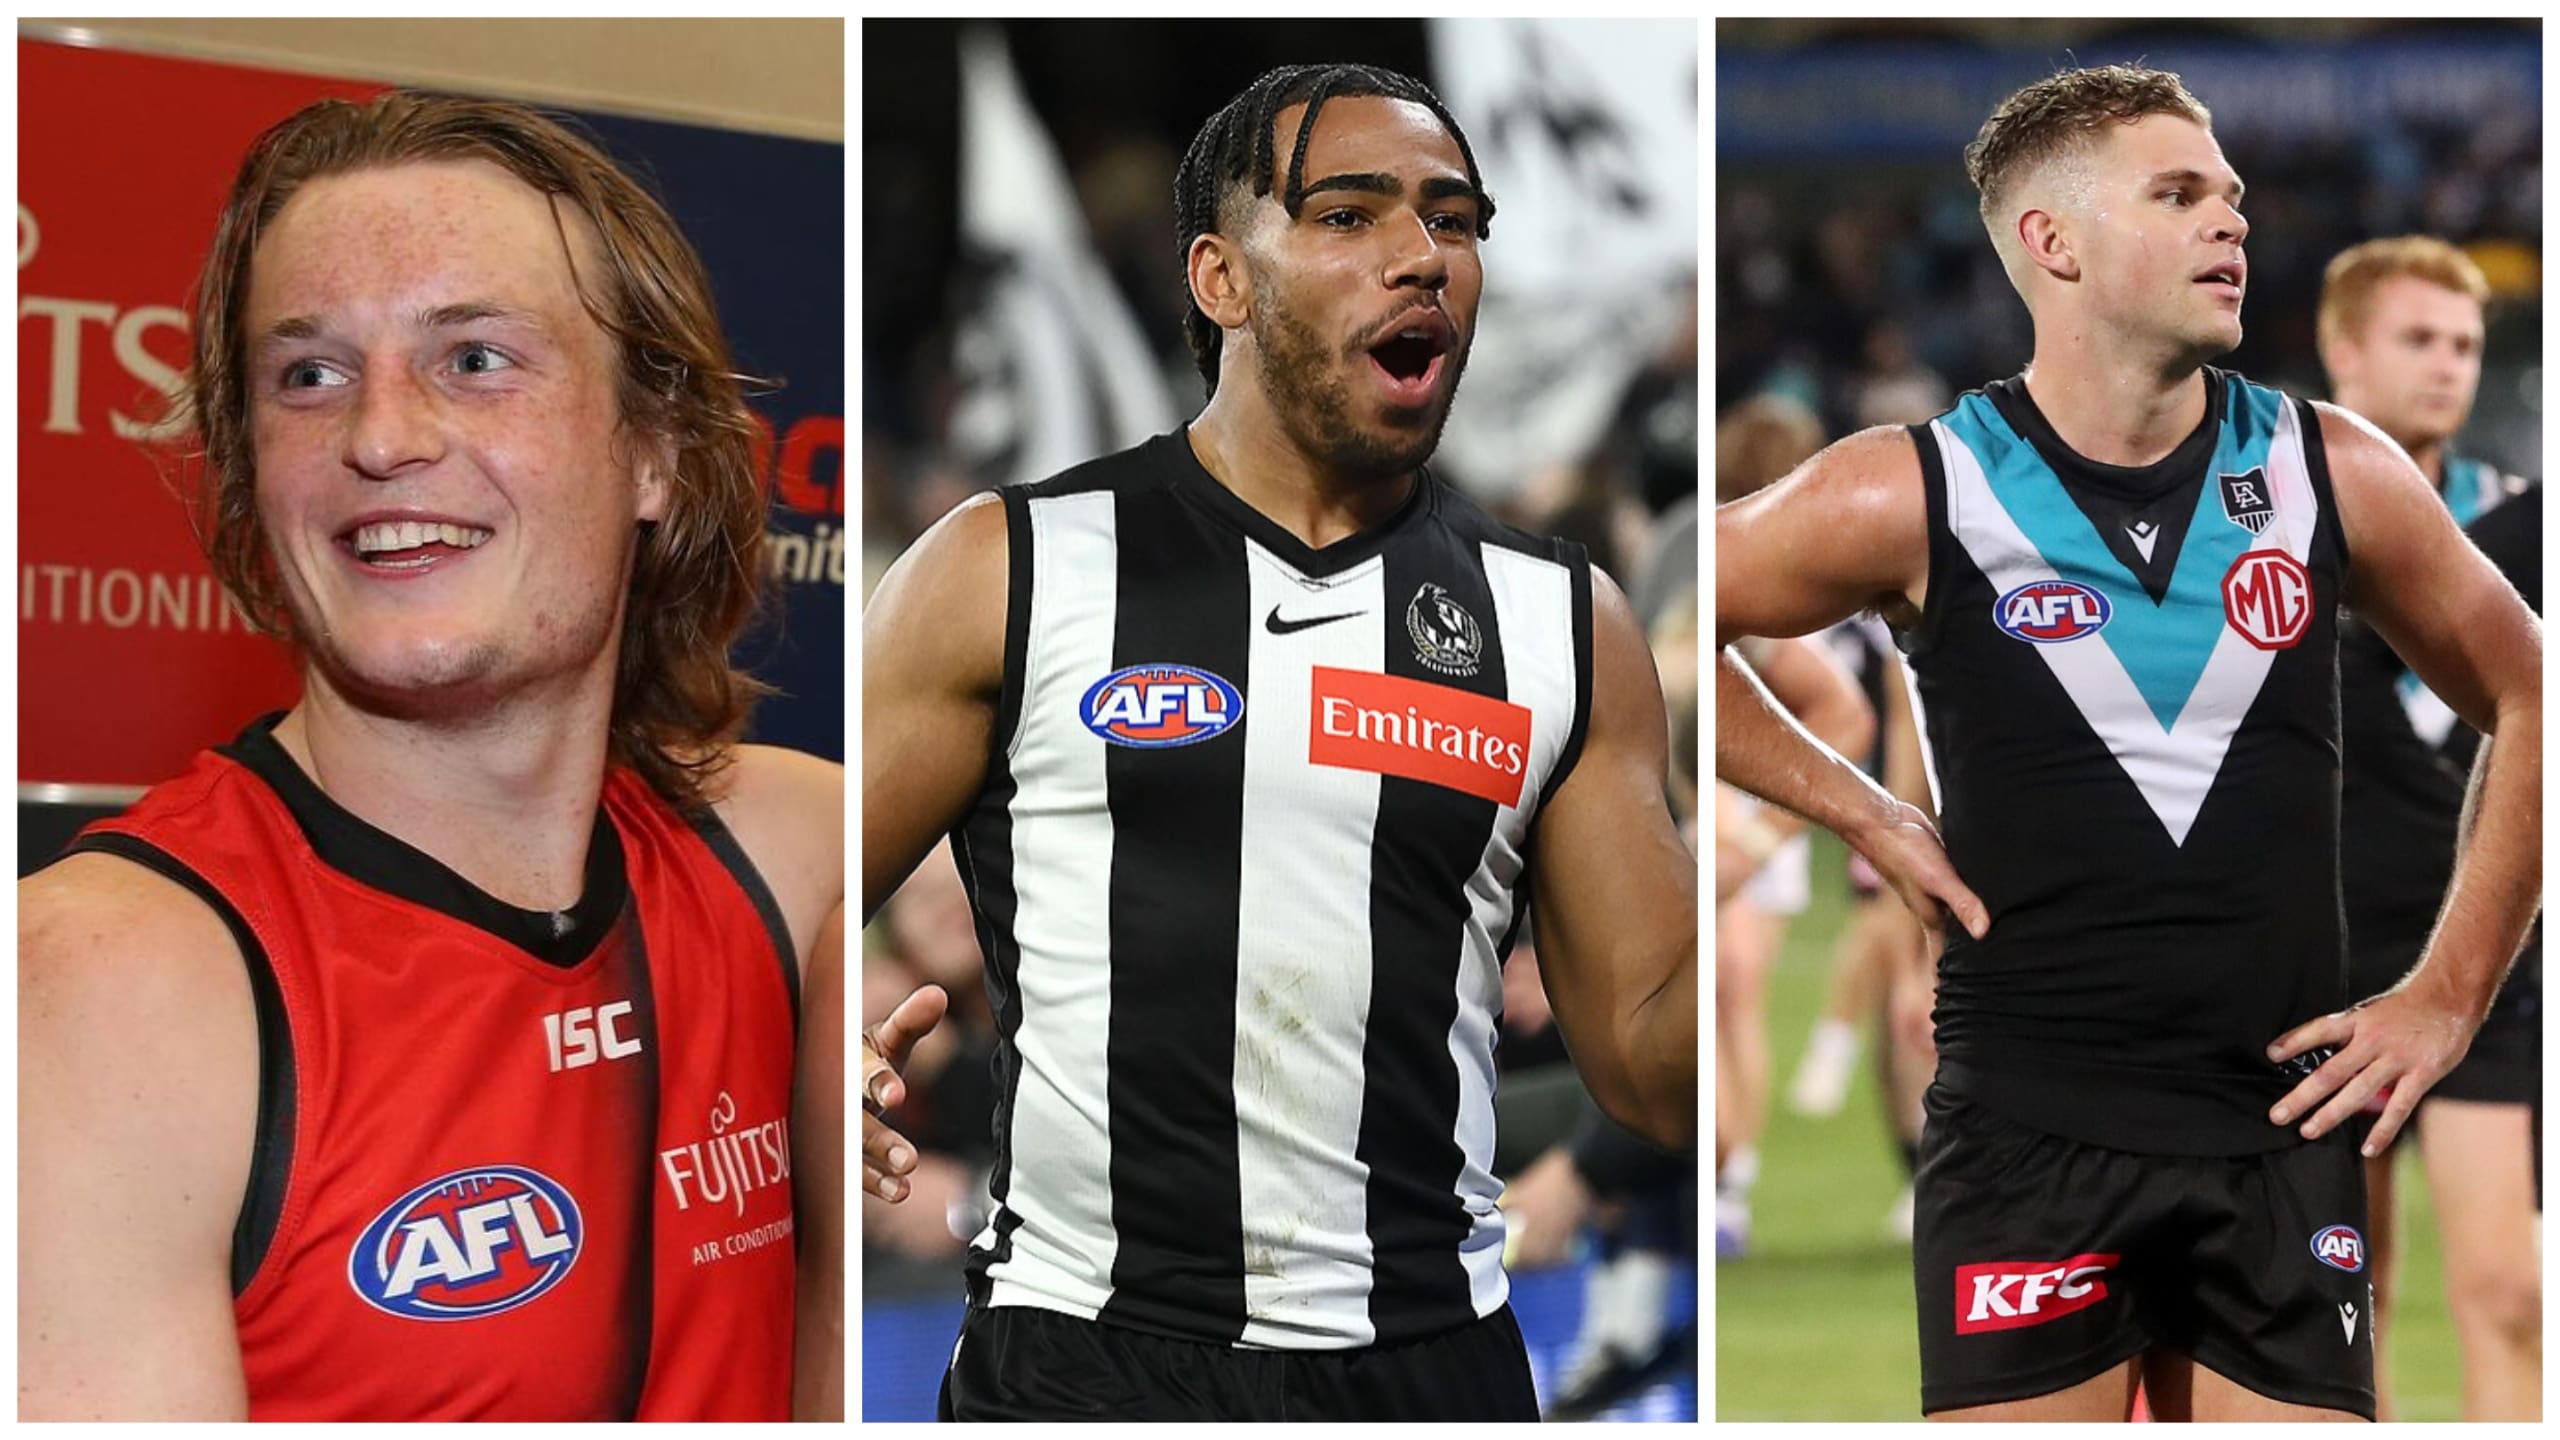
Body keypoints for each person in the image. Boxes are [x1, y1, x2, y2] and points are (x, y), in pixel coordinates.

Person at [862, 62, 1697, 1421]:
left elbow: (1658, 1075)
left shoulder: (1560, 621)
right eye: (1351, 216)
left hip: (1434, 1366)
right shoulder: (1007, 569)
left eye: (1454, 219)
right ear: (1220, 281)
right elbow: (779, 896)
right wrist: (814, 1040)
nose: (1420, 257)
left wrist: (1766, 846)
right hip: (1088, 1365)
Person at [1715, 65, 2540, 1423]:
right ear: (2055, 243)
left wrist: (2449, 993)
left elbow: (2534, 691)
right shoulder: (1914, 483)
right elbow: (1647, 615)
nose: (2234, 224)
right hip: (2029, 1135)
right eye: (2180, 195)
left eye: (2231, 197)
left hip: (2281, 1138)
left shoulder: (2329, 470)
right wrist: (1855, 808)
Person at [18, 94, 844, 1422]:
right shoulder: (104, 989)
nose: (382, 436)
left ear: (662, 453)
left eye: (473, 359)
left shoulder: (790, 863)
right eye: (309, 374)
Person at [2318, 235, 2539, 1422]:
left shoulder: (2527, 529)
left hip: (2487, 965)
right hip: (2325, 969)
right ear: (2340, 350)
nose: (2447, 366)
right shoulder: (2272, 536)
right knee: (2348, 1302)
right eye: (2416, 340)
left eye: (2462, 344)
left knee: (2510, 1290)